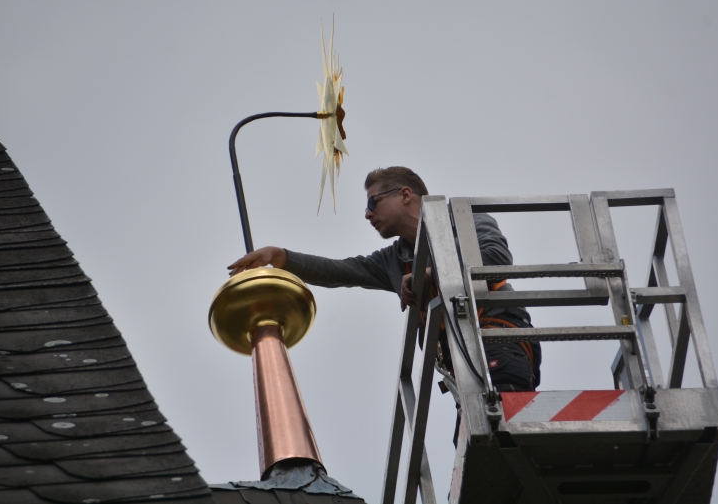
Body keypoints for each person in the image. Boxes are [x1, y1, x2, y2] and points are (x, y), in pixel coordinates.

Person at [228, 166, 541, 400]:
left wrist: (426, 275)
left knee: (497, 433)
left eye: (373, 202)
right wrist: (279, 256)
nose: (367, 214)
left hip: (498, 341)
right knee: (475, 445)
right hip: (461, 368)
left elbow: (493, 258)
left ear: (405, 194)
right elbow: (339, 271)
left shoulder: (462, 220)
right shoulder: (394, 259)